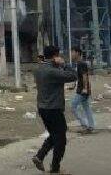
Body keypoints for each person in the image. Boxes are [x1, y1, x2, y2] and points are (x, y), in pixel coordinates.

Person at [31, 45, 78, 174]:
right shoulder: (52, 71)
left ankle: (40, 156)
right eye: (59, 55)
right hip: (53, 108)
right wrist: (64, 64)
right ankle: (55, 168)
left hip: (42, 107)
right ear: (55, 56)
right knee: (61, 138)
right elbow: (73, 76)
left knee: (55, 134)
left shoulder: (39, 69)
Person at [70, 47, 95, 132]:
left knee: (73, 106)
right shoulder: (78, 63)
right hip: (82, 88)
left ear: (77, 53)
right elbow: (79, 77)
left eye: (72, 52)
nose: (71, 54)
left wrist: (85, 88)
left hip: (82, 90)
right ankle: (90, 126)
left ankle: (84, 125)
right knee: (86, 107)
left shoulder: (81, 63)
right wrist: (74, 85)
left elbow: (85, 77)